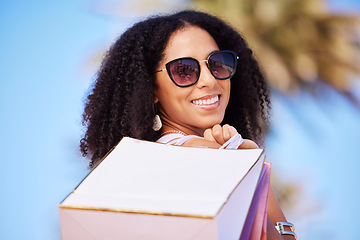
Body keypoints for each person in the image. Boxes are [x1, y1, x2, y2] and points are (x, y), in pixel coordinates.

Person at [80, 10, 296, 240]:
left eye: (218, 64)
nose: (209, 80)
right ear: (151, 89)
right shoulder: (200, 156)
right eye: (184, 70)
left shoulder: (144, 166)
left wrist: (255, 170)